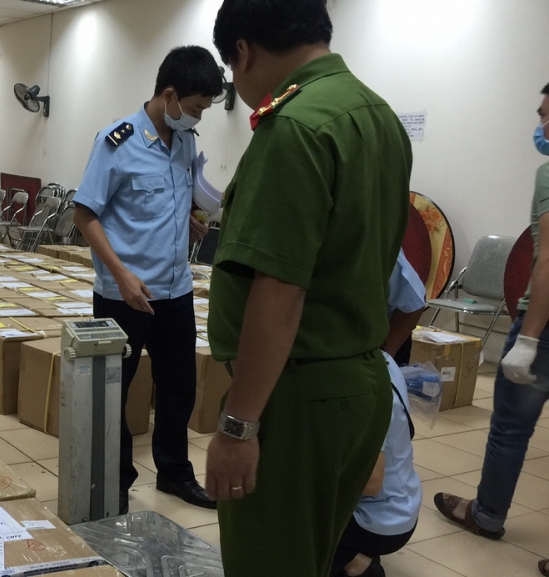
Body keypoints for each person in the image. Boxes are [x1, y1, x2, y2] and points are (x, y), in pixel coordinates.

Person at [205, 1, 412, 575]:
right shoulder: (377, 115)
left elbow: (280, 288)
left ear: (243, 51)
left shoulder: (294, 127)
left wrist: (238, 428)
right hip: (358, 383)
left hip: (296, 397)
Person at [72, 46, 222, 514]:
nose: (197, 117)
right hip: (124, 295)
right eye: (195, 108)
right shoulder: (116, 141)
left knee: (179, 388)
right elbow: (84, 214)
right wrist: (121, 275)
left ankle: (175, 473)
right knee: (115, 391)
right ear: (170, 95)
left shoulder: (185, 140)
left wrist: (188, 220)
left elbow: (170, 198)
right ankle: (116, 479)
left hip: (176, 291)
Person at [435, 83, 549, 577]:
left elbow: (548, 261)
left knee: (510, 429)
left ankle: (487, 515)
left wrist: (528, 339)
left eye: (547, 115)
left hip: (544, 327)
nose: (541, 127)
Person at [332, 251, 425, 577]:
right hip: (398, 505)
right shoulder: (381, 360)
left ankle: (356, 563)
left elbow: (371, 482)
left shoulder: (359, 382)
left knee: (288, 516)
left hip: (380, 519)